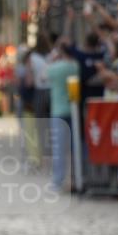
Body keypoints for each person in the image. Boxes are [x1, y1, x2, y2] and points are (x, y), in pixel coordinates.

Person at [46, 44, 78, 191]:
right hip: (73, 110)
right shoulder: (75, 66)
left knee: (59, 148)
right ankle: (76, 178)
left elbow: (42, 76)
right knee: (75, 147)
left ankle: (58, 180)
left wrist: (52, 59)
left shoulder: (56, 68)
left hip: (58, 111)